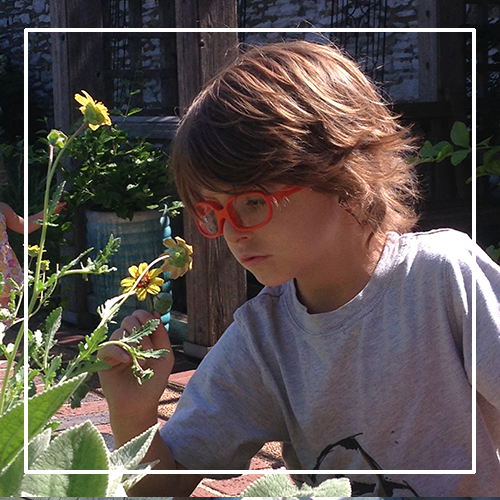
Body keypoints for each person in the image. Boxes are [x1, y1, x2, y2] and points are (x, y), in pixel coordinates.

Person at [98, 40, 500, 497]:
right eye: (214, 212)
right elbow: (160, 488)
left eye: (253, 202)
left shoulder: (443, 277)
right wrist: (133, 416)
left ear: (347, 171)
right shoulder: (262, 339)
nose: (234, 231)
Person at [0, 200, 65, 310]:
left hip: (2, 267)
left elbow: (25, 226)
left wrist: (48, 211)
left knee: (4, 306)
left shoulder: (2, 208)